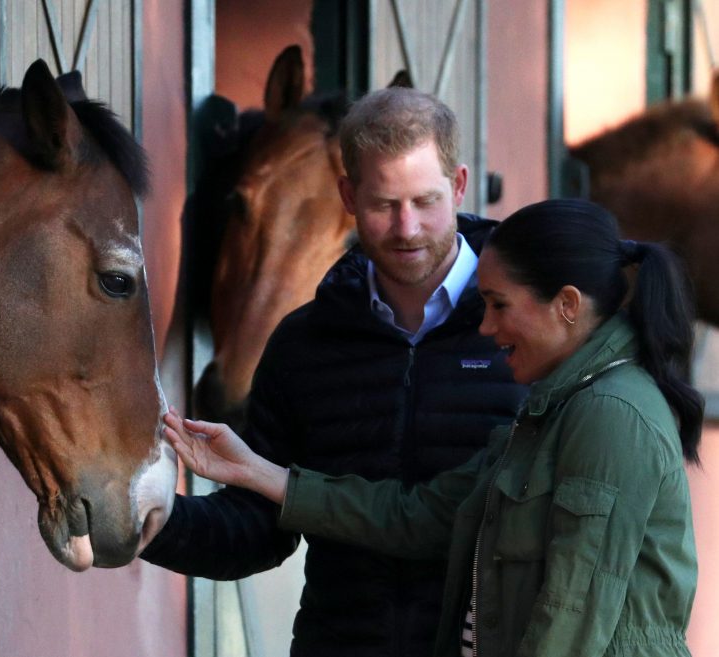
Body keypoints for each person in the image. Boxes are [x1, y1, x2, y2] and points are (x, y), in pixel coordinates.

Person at [164, 198, 704, 657]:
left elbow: (572, 615)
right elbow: (418, 516)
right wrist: (262, 474)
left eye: (497, 305)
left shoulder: (610, 414)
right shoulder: (556, 408)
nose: (486, 327)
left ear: (566, 305)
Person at [142, 87, 527, 655]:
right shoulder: (304, 345)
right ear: (347, 195)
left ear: (460, 184)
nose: (407, 228)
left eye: (425, 201)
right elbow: (257, 529)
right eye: (383, 204)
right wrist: (153, 524)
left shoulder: (524, 329)